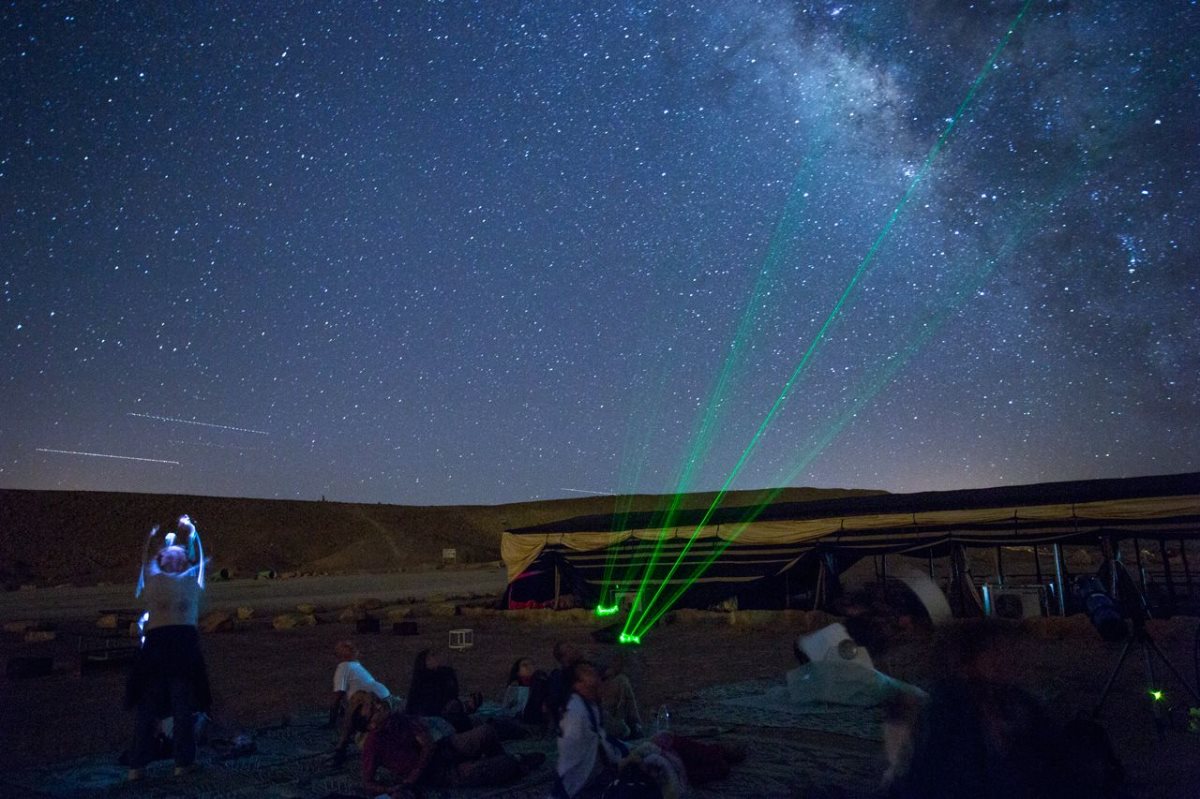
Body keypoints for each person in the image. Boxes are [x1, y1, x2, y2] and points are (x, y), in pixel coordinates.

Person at [124, 515, 211, 781]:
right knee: (179, 707)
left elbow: (147, 561)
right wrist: (192, 533)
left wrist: (156, 539)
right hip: (179, 646)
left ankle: (138, 766)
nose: (175, 559)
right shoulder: (185, 583)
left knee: (153, 708)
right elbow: (197, 561)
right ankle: (180, 763)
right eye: (171, 556)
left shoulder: (154, 583)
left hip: (159, 647)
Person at [360, 697, 542, 794]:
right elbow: (368, 782)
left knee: (486, 731)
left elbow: (428, 743)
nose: (379, 706)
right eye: (374, 710)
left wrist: (416, 770)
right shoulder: (373, 745)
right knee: (501, 765)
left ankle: (497, 760)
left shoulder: (397, 719)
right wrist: (390, 789)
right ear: (370, 725)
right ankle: (515, 762)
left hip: (444, 748)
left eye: (376, 704)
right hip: (437, 774)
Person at [552, 660, 628, 799]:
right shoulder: (576, 712)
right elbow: (591, 755)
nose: (593, 672)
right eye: (586, 672)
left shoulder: (588, 705)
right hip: (580, 785)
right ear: (578, 685)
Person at [550, 641, 643, 739]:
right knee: (623, 731)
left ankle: (633, 724)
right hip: (589, 711)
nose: (573, 649)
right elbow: (558, 702)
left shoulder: (586, 664)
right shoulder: (561, 676)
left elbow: (606, 672)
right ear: (563, 658)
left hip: (601, 702)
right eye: (569, 649)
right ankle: (628, 727)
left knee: (622, 680)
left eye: (571, 646)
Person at [329, 640, 393, 764]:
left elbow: (338, 695)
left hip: (367, 703)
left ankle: (341, 747)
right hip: (385, 697)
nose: (350, 646)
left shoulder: (345, 667)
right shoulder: (353, 666)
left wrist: (332, 719)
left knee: (353, 705)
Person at [406, 648, 481, 733]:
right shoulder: (422, 682)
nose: (436, 657)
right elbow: (431, 704)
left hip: (446, 713)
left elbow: (452, 694)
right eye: (432, 656)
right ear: (424, 662)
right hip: (435, 717)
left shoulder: (444, 673)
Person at [502, 656, 551, 725]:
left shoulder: (541, 683)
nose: (529, 667)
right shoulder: (515, 688)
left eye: (532, 664)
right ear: (518, 672)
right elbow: (508, 710)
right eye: (524, 665)